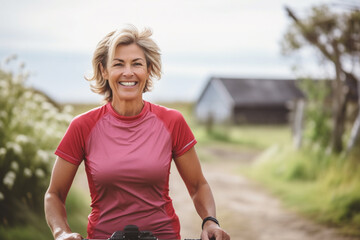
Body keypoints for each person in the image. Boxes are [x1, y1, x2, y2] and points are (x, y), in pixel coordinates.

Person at [44, 25, 230, 240]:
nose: (128, 72)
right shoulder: (82, 126)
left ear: (148, 69)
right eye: (118, 64)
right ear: (104, 71)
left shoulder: (172, 121)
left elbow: (198, 186)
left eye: (137, 64)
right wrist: (61, 233)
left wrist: (210, 221)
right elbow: (54, 194)